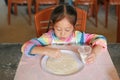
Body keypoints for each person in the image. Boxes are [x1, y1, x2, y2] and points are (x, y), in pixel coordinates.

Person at [21, 4, 107, 64]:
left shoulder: (78, 37)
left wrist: (94, 53)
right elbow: (25, 47)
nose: (62, 33)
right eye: (58, 29)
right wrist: (46, 51)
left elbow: (100, 39)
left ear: (74, 26)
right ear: (53, 25)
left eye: (67, 29)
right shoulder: (49, 38)